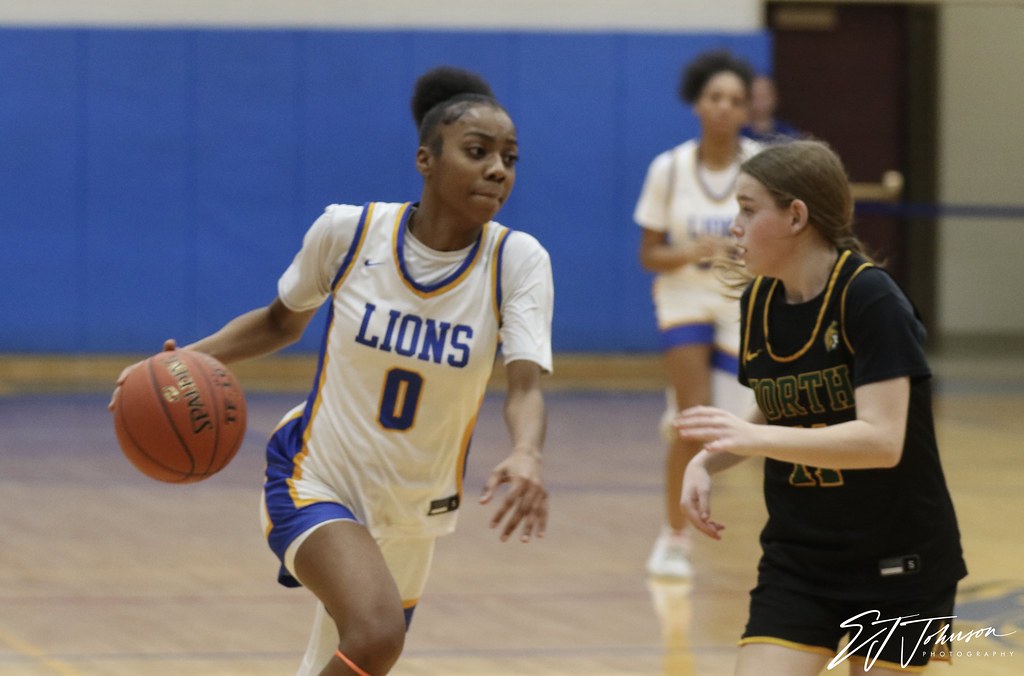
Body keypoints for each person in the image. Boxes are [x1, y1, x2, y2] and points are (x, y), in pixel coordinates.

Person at [110, 65, 554, 676]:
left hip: (416, 508)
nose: (497, 169)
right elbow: (277, 323)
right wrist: (179, 362)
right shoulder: (350, 233)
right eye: (477, 153)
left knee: (349, 661)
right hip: (315, 478)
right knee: (376, 636)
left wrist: (527, 450)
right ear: (426, 160)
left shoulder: (518, 262)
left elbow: (525, 383)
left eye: (509, 157)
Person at [675, 140, 966, 674]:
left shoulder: (870, 299)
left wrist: (755, 441)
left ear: (796, 216)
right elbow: (776, 411)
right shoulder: (758, 301)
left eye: (746, 209)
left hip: (899, 558)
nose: (733, 226)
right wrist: (706, 460)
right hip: (801, 559)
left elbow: (881, 442)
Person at [633, 49, 762, 579]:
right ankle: (673, 537)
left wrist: (746, 252)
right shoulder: (669, 168)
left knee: (753, 423)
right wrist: (693, 252)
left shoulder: (761, 166)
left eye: (736, 100)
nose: (725, 108)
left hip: (742, 300)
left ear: (747, 109)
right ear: (697, 104)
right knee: (692, 422)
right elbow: (649, 254)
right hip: (684, 296)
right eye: (716, 97)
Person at [741, 74, 801, 145]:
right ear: (747, 99)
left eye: (764, 96)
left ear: (775, 98)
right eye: (756, 96)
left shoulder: (788, 132)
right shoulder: (739, 132)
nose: (760, 101)